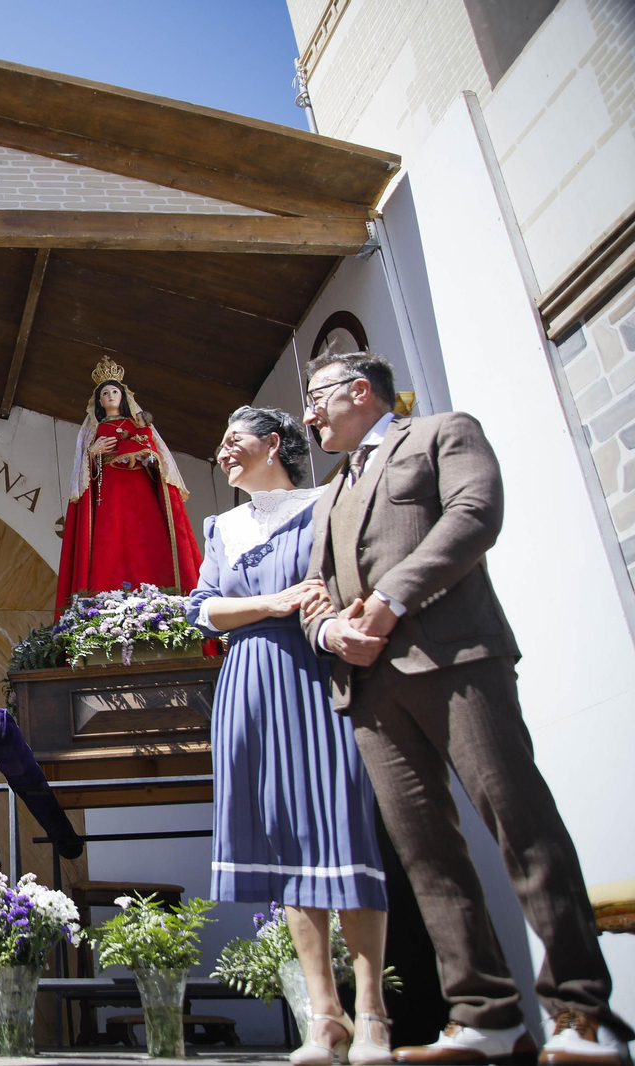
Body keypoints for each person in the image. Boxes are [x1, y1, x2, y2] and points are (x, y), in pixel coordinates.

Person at [300, 352, 632, 1066]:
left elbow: (475, 516)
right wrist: (331, 632)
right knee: (426, 853)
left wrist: (388, 602)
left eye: (317, 396)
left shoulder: (442, 434)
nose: (307, 414)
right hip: (373, 689)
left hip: (458, 661)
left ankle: (582, 1014)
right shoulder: (328, 495)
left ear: (361, 390)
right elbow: (316, 593)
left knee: (520, 823)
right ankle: (485, 1016)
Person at [188, 406, 391, 1065]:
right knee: (285, 850)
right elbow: (205, 609)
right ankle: (323, 1018)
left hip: (312, 671)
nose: (223, 452)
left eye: (234, 440)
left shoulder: (325, 505)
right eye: (220, 444)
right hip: (249, 681)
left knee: (341, 832)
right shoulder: (222, 526)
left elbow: (341, 583)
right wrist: (273, 603)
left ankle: (372, 1016)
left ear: (273, 444)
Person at [55, 357, 202, 617]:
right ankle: (102, 602)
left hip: (139, 489)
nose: (110, 396)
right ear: (98, 402)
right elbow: (82, 471)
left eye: (114, 392)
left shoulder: (139, 424)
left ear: (123, 396)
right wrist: (94, 452)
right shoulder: (93, 429)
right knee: (110, 539)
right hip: (109, 492)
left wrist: (146, 456)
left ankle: (163, 598)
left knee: (146, 538)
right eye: (105, 393)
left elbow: (159, 459)